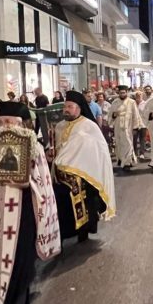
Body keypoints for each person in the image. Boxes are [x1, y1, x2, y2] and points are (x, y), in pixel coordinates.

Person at [0, 100, 60, 304]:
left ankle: (19, 297)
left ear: (20, 123)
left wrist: (25, 183)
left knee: (21, 256)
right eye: (1, 122)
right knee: (2, 255)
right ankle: (6, 294)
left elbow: (43, 182)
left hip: (24, 210)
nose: (5, 126)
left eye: (9, 122)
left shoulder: (34, 146)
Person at [53, 91, 116, 242]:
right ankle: (64, 233)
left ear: (79, 108)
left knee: (86, 204)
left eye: (70, 106)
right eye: (65, 107)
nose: (66, 109)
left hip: (84, 174)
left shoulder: (89, 126)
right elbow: (59, 149)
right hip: (61, 175)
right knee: (62, 205)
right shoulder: (59, 126)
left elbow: (99, 150)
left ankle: (83, 231)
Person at [108, 85, 143, 171]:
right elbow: (110, 114)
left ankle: (127, 162)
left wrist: (135, 127)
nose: (122, 94)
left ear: (126, 93)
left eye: (124, 93)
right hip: (118, 126)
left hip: (128, 127)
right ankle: (122, 159)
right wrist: (114, 115)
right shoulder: (115, 102)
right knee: (119, 143)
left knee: (128, 143)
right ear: (118, 93)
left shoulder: (131, 102)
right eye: (120, 93)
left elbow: (135, 115)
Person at [132, 90, 148, 159]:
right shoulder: (133, 103)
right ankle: (135, 153)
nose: (138, 96)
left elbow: (147, 114)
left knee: (142, 139)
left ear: (142, 96)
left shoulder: (145, 104)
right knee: (134, 139)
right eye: (137, 95)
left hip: (143, 124)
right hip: (134, 124)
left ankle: (142, 153)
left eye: (140, 95)